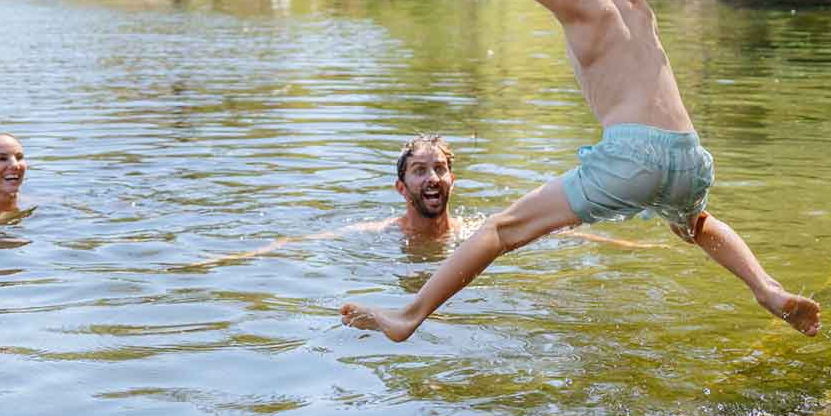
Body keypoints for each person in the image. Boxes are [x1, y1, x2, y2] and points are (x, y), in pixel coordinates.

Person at [339, 0, 821, 342]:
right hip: (688, 156)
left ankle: (409, 315)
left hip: (631, 155)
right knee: (694, 224)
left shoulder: (572, 3)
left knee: (499, 229)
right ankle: (766, 288)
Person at [203, 133, 641, 264]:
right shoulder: (378, 236)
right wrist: (229, 257)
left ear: (452, 181)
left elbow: (557, 235)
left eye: (439, 169)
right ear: (401, 188)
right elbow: (303, 244)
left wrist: (634, 247)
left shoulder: (475, 234)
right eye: (419, 171)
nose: (432, 178)